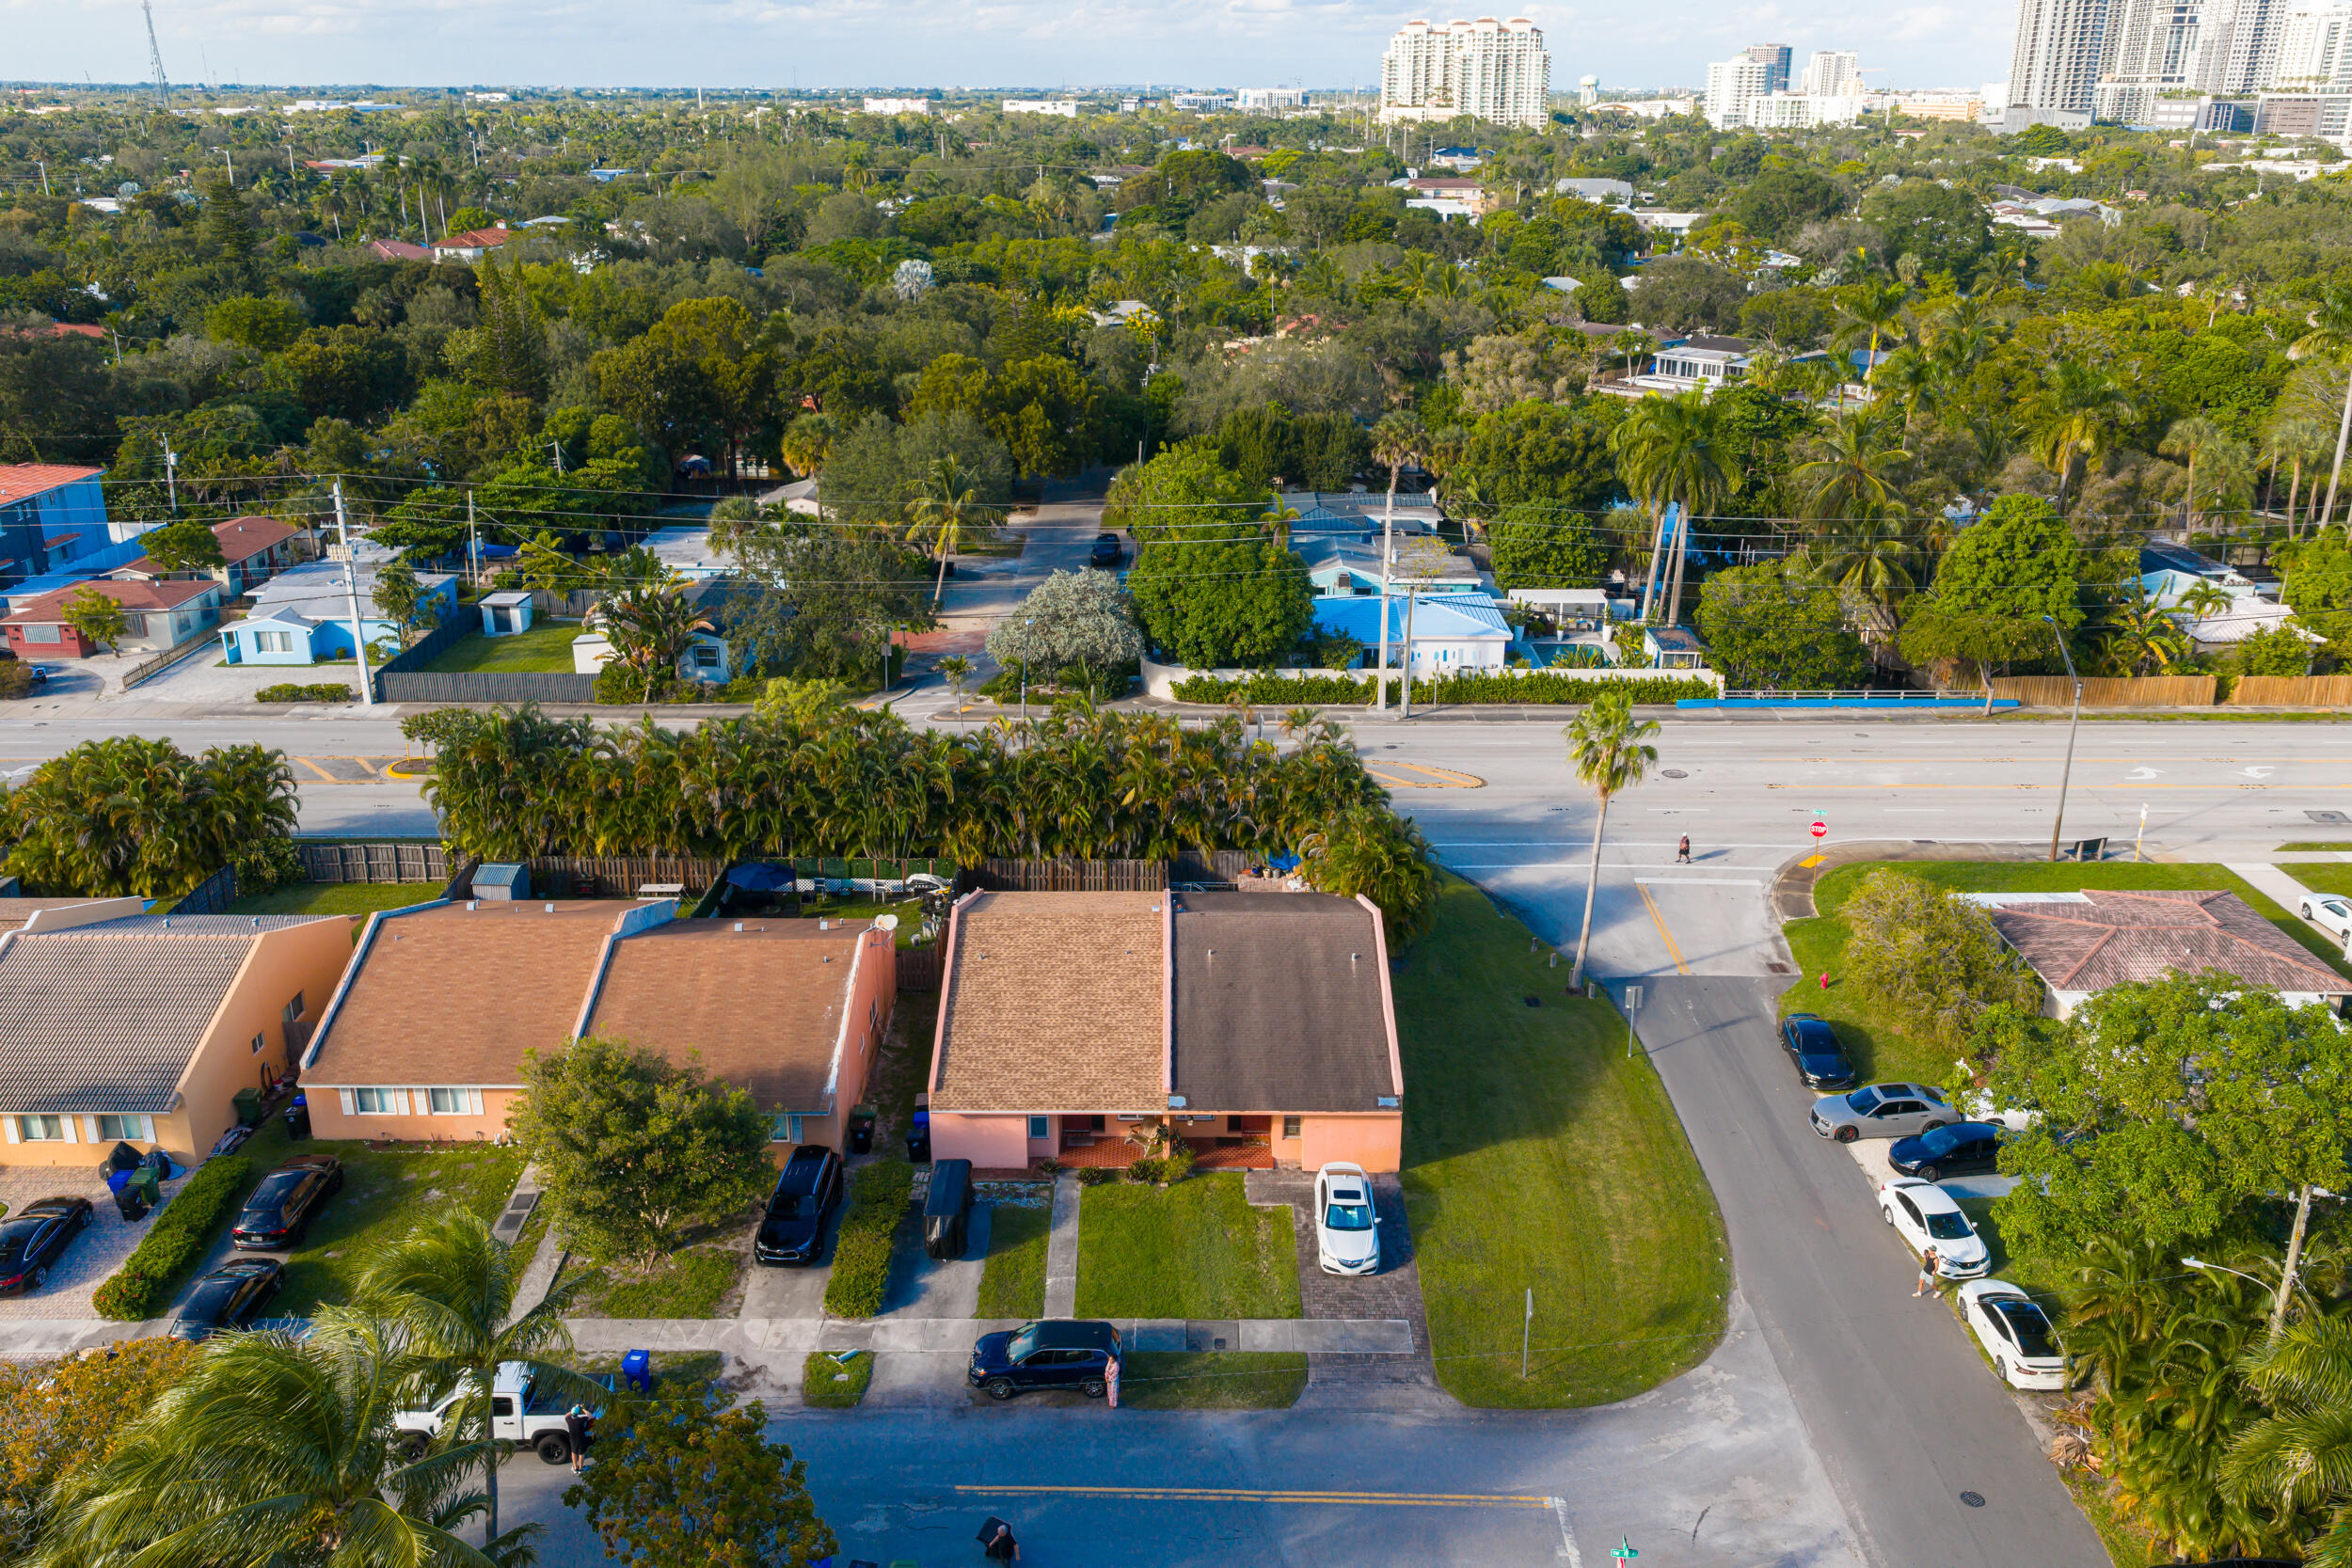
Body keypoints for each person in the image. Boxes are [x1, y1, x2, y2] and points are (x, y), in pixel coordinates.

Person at [564, 1404, 592, 1473]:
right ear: (578, 1414)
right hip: (581, 1439)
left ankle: (575, 1467)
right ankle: (581, 1468)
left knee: (574, 1452)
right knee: (581, 1453)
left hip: (573, 1439)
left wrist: (575, 1408)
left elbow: (566, 1415)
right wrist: (583, 1409)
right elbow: (590, 1416)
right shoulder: (581, 1420)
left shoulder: (569, 1420)